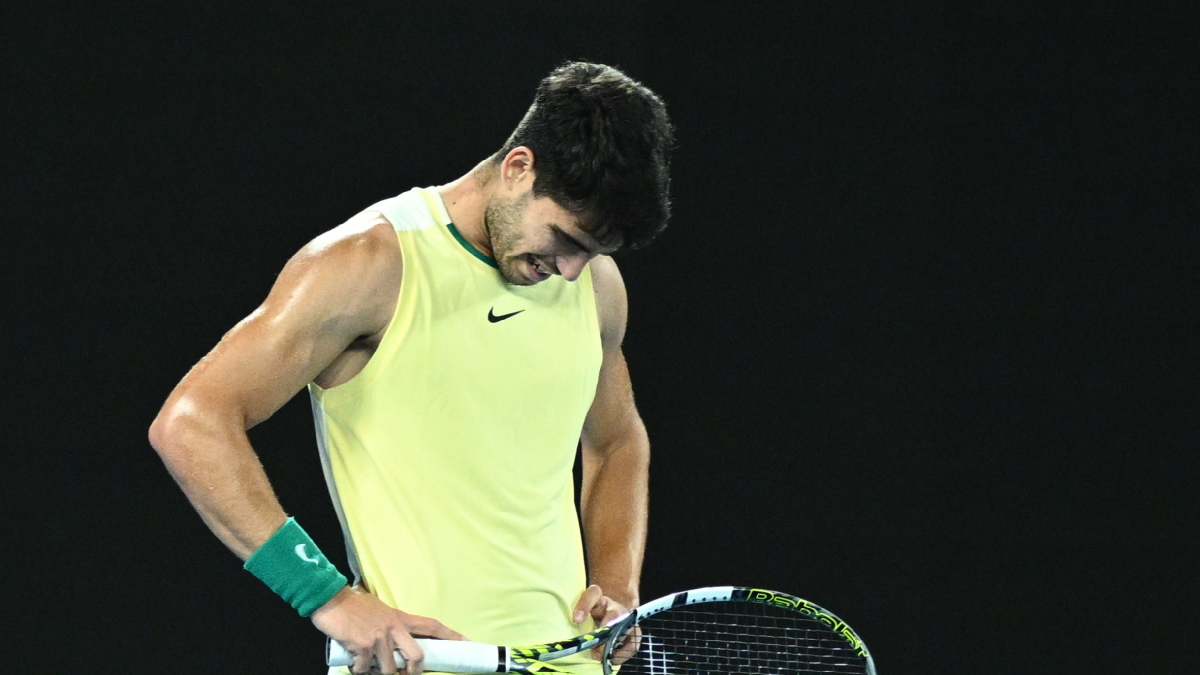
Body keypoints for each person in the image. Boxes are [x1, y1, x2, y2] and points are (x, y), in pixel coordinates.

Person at [149, 61, 673, 675]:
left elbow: (616, 440)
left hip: (574, 665)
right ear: (518, 168)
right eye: (567, 239)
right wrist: (325, 596)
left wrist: (618, 586)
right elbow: (191, 421)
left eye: (594, 252)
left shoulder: (596, 287)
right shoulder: (370, 262)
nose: (571, 270)